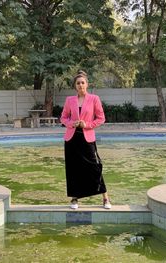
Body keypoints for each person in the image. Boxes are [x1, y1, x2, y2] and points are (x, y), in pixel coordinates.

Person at [60, 70, 111, 210]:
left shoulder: (94, 99)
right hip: (72, 138)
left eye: (83, 82)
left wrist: (86, 125)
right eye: (78, 83)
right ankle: (74, 198)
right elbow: (63, 118)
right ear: (75, 86)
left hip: (87, 138)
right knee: (73, 169)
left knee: (95, 166)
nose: (80, 85)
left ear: (87, 84)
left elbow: (101, 118)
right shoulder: (69, 100)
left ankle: (105, 198)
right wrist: (72, 123)